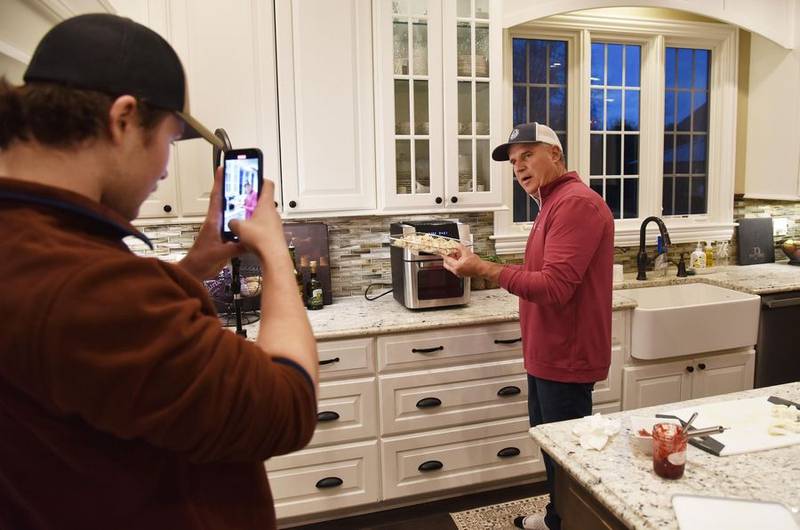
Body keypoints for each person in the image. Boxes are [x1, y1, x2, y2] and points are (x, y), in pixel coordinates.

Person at [0, 14, 318, 530]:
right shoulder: (82, 281)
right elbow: (287, 406)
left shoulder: (33, 242)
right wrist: (275, 251)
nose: (166, 169)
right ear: (123, 119)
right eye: (168, 141)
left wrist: (199, 263)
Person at [443, 122, 614, 530]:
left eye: (528, 155)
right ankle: (558, 518)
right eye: (514, 161)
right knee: (553, 449)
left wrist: (483, 268)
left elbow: (554, 287)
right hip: (547, 352)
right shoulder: (551, 204)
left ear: (555, 154)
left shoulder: (576, 205)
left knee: (571, 460)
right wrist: (481, 264)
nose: (519, 167)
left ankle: (573, 522)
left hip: (566, 355)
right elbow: (541, 274)